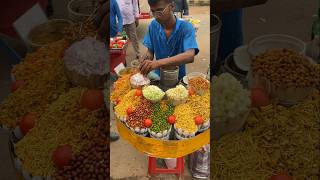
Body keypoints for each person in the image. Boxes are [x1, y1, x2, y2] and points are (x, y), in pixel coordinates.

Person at [139, 0, 199, 80]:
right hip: (158, 76)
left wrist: (158, 63)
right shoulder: (153, 26)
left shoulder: (186, 27)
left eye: (160, 10)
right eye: (153, 11)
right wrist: (146, 60)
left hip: (178, 78)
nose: (156, 16)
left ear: (172, 6)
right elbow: (150, 51)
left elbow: (189, 56)